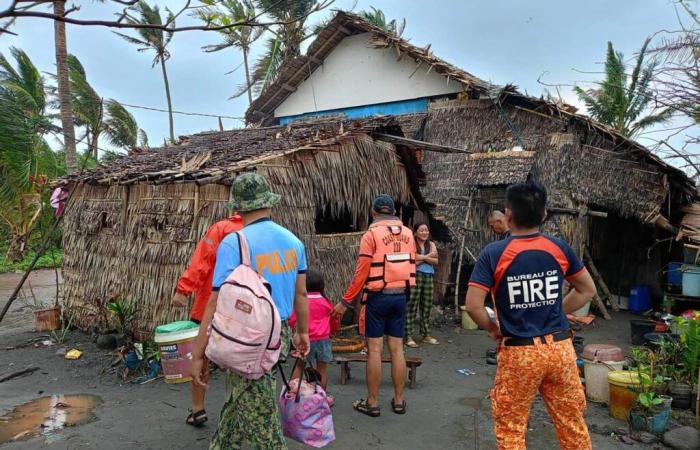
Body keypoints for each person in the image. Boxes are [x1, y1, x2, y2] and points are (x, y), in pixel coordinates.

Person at [465, 181, 596, 450]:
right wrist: (555, 309)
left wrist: (492, 327)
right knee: (572, 424)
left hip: (520, 353)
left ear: (508, 215)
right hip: (561, 350)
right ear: (544, 214)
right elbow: (586, 290)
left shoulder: (493, 253)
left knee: (511, 428)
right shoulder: (559, 247)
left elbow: (474, 305)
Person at [190, 172, 310, 450]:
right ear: (269, 202)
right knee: (241, 397)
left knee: (261, 420)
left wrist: (198, 353)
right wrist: (302, 332)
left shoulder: (235, 242)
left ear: (238, 207)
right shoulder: (293, 241)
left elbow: (215, 301)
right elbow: (301, 294)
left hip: (247, 338)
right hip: (279, 331)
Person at [332, 194, 416, 417]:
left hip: (378, 298)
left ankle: (373, 402)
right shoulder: (408, 234)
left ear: (373, 213)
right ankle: (399, 401)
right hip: (401, 297)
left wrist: (345, 302)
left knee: (375, 351)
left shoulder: (371, 235)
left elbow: (361, 273)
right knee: (397, 349)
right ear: (394, 212)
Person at [172, 212, 243, 427]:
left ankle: (198, 409)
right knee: (242, 358)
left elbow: (202, 259)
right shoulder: (262, 233)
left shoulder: (221, 228)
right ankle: (239, 410)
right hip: (245, 309)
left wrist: (183, 290)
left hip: (211, 304)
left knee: (200, 356)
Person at [289, 269, 340, 405]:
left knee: (299, 366)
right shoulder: (326, 302)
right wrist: (333, 331)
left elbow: (292, 319)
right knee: (322, 368)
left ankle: (293, 394)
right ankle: (320, 398)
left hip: (306, 339)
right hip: (324, 339)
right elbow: (334, 319)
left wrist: (293, 330)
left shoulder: (302, 301)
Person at [405, 222, 439, 348]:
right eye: (421, 230)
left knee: (427, 305)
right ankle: (408, 335)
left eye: (426, 230)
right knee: (411, 305)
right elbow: (411, 261)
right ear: (415, 233)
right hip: (415, 275)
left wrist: (421, 258)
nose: (425, 232)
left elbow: (436, 261)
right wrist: (428, 257)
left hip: (428, 276)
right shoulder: (411, 244)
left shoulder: (431, 244)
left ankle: (426, 334)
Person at [485, 210, 510, 364]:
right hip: (503, 284)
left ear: (499, 222)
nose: (492, 229)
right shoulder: (505, 237)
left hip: (507, 285)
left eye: (492, 226)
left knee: (505, 318)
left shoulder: (510, 238)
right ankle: (501, 347)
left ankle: (505, 349)